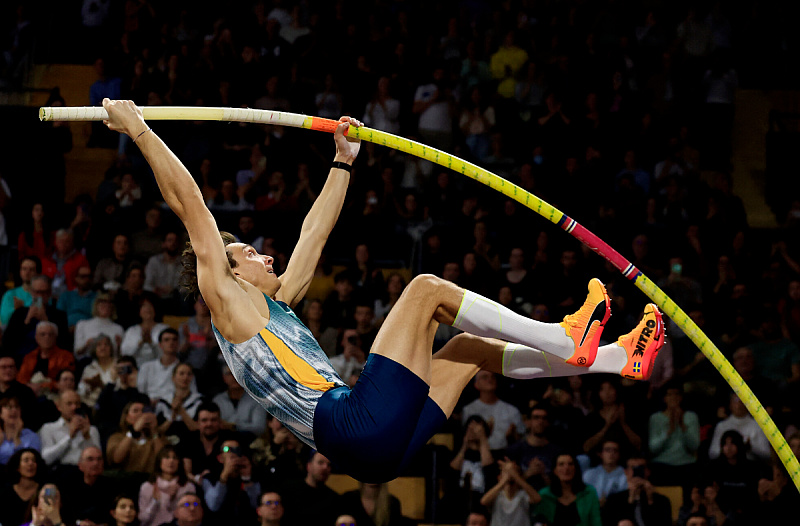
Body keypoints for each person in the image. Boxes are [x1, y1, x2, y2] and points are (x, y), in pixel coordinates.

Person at [101, 98, 665, 484]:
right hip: (351, 424)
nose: (263, 254)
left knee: (466, 349)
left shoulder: (272, 308)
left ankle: (618, 360)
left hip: (371, 453)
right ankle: (566, 339)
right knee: (424, 291)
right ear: (229, 273)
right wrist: (140, 130)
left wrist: (342, 163)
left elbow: (313, 235)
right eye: (249, 253)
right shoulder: (227, 304)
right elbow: (191, 207)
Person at [532, 453, 602, 526]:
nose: (566, 468)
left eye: (570, 464)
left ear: (575, 468)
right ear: (555, 470)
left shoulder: (589, 492)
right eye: (561, 464)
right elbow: (538, 523)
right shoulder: (545, 494)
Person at [138, 445, 197, 526]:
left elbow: (191, 517)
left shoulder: (188, 487)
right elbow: (143, 522)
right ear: (159, 461)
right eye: (166, 457)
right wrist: (154, 502)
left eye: (175, 458)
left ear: (179, 462)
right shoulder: (147, 486)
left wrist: (174, 501)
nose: (171, 461)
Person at [38, 389, 101, 468]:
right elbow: (46, 459)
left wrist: (87, 436)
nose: (74, 407)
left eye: (77, 403)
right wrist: (69, 437)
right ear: (59, 406)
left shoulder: (91, 430)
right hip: (61, 472)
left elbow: (98, 460)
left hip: (87, 472)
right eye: (69, 404)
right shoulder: (48, 428)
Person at [60, 446, 115, 526]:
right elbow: (63, 515)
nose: (96, 463)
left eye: (99, 459)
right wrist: (78, 523)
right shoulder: (68, 486)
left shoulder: (111, 486)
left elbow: (114, 518)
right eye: (90, 459)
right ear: (80, 465)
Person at [480, 459, 539, 526]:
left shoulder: (523, 495)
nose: (510, 474)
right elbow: (484, 501)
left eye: (514, 471)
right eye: (506, 472)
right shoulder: (496, 495)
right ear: (499, 477)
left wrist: (516, 476)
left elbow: (537, 499)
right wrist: (504, 480)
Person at [17, 321, 76, 394]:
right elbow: (21, 379)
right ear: (36, 337)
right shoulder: (29, 357)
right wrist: (29, 387)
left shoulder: (66, 356)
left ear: (55, 337)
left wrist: (42, 386)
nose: (47, 337)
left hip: (55, 394)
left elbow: (66, 382)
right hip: (30, 392)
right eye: (43, 334)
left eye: (50, 334)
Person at [0, 448, 47, 526]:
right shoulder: (6, 491)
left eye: (34, 460)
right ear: (17, 467)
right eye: (26, 460)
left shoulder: (43, 490)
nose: (31, 464)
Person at [17, 483, 83, 526]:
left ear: (61, 503)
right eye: (45, 497)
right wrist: (35, 525)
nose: (49, 501)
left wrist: (57, 522)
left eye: (54, 497)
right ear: (37, 501)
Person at [0, 356, 40, 430]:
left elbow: (33, 418)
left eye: (11, 367)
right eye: (4, 367)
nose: (8, 370)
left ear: (16, 370)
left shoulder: (26, 392)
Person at [0, 396, 41, 464]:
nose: (14, 410)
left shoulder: (31, 436)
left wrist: (16, 439)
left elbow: (31, 461)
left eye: (17, 407)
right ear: (0, 414)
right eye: (9, 407)